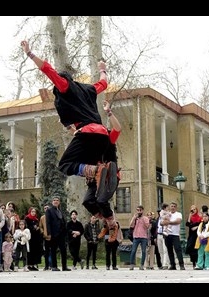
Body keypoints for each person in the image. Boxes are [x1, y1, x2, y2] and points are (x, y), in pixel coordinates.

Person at [20, 40, 121, 227]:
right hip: (100, 135)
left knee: (65, 164)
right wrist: (103, 69)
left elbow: (48, 70)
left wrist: (30, 53)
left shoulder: (65, 85)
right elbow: (104, 83)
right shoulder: (89, 89)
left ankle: (94, 171)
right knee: (87, 177)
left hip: (88, 132)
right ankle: (105, 216)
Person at [46, 195, 70, 271]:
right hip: (54, 234)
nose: (56, 201)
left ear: (59, 202)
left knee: (63, 250)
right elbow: (48, 223)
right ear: (52, 202)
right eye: (54, 200)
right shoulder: (49, 211)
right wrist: (49, 233)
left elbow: (63, 221)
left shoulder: (60, 210)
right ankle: (54, 266)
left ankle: (64, 266)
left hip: (61, 234)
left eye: (57, 200)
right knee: (53, 250)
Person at [162, 202, 185, 270]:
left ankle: (181, 264)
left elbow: (178, 221)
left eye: (174, 206)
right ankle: (172, 265)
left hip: (175, 235)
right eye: (171, 206)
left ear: (176, 207)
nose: (173, 207)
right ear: (170, 207)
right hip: (167, 234)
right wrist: (163, 222)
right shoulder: (166, 214)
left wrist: (169, 222)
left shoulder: (178, 214)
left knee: (178, 249)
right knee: (169, 250)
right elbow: (161, 222)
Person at [129, 205, 150, 270]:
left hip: (143, 237)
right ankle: (132, 264)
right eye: (137, 210)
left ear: (142, 211)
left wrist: (142, 219)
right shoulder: (135, 218)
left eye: (140, 210)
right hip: (136, 236)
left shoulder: (145, 218)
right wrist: (134, 218)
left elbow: (147, 226)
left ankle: (141, 265)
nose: (139, 211)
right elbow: (131, 225)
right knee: (133, 251)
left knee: (143, 251)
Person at [185, 205, 202, 269]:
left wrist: (196, 227)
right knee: (190, 248)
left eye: (194, 209)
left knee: (196, 248)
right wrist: (189, 216)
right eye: (192, 209)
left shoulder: (199, 217)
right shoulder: (191, 217)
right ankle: (193, 262)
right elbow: (187, 224)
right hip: (191, 235)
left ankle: (198, 262)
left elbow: (201, 224)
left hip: (197, 235)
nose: (193, 210)